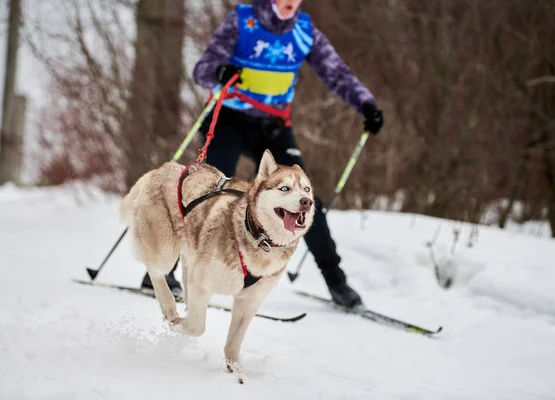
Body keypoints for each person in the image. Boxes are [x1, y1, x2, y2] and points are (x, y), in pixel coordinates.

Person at [142, 0, 384, 308]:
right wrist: (220, 71)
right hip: (229, 119)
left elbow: (336, 73)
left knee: (305, 198)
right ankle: (163, 272)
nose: (289, 3)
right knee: (206, 192)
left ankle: (337, 282)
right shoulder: (243, 21)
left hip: (273, 126)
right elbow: (202, 70)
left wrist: (367, 105)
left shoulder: (303, 31)